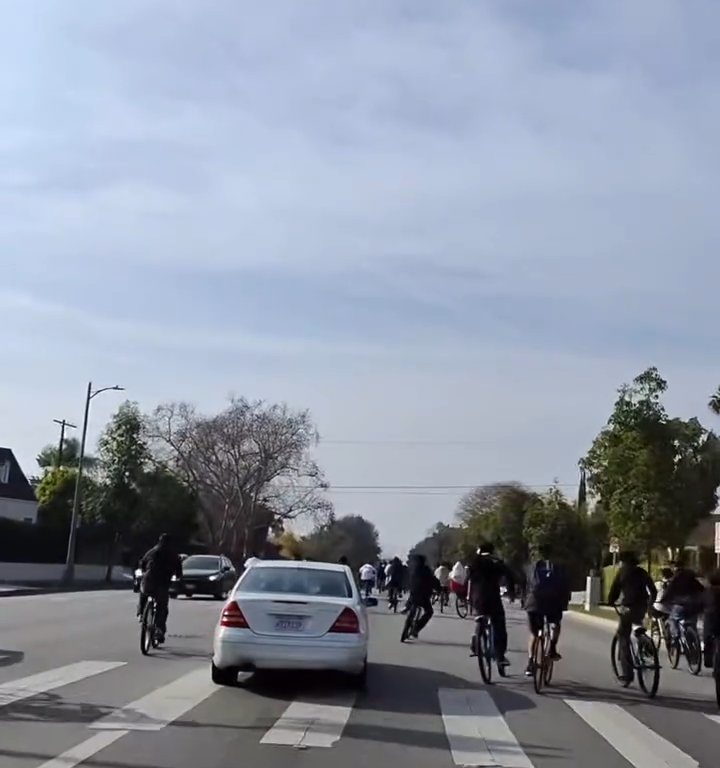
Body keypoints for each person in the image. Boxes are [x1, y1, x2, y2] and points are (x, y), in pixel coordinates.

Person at [607, 551, 657, 683]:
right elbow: (653, 590)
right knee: (638, 626)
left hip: (627, 607)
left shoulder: (622, 572)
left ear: (623, 562)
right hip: (641, 607)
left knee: (623, 637)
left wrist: (611, 601)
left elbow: (614, 591)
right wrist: (650, 603)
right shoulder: (642, 572)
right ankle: (646, 647)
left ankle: (627, 674)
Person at [523, 547, 571, 676]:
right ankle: (552, 649)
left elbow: (526, 586)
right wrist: (564, 604)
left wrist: (525, 602)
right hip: (553, 603)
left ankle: (530, 662)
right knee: (555, 625)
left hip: (534, 603)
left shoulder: (532, 568)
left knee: (534, 634)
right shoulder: (559, 569)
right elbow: (565, 587)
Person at [467, 542, 515, 667]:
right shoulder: (496, 562)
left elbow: (468, 581)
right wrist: (511, 592)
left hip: (477, 598)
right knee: (499, 625)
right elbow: (509, 576)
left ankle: (475, 644)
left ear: (479, 550)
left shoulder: (474, 562)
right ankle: (500, 656)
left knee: (479, 618)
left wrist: (469, 598)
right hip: (493, 598)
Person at [136, 533, 183, 644]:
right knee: (162, 607)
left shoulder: (152, 551)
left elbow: (142, 563)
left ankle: (140, 613)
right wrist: (177, 577)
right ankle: (159, 629)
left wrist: (143, 571)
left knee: (143, 593)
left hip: (148, 581)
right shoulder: (173, 555)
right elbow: (179, 572)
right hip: (162, 583)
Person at [663, 557, 705, 642]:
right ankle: (693, 641)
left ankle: (675, 636)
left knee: (673, 618)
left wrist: (663, 600)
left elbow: (669, 591)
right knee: (692, 623)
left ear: (675, 568)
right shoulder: (691, 577)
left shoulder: (676, 578)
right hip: (694, 604)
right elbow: (701, 589)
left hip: (680, 604)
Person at [405, 553, 441, 638]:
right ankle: (416, 627)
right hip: (424, 596)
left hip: (413, 595)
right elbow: (433, 581)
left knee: (409, 604)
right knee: (429, 612)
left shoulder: (412, 570)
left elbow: (406, 580)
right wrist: (439, 589)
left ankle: (406, 608)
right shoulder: (426, 570)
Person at [702, 569, 720, 668]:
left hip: (711, 620)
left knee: (708, 638)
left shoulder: (708, 591)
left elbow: (700, 603)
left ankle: (708, 661)